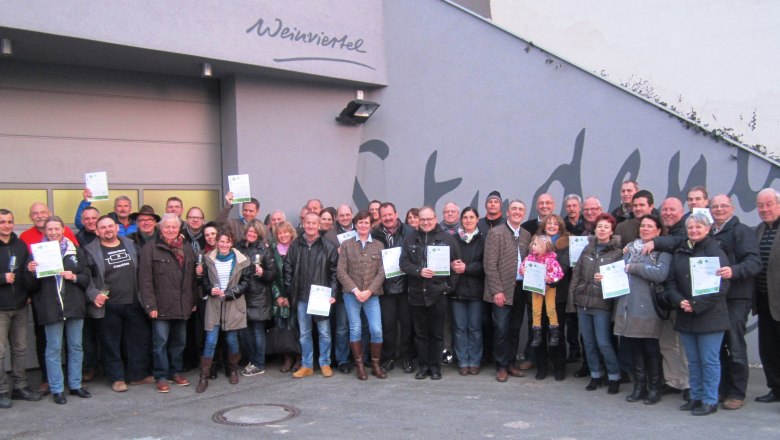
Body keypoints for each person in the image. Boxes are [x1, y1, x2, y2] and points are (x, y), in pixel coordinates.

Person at [666, 213, 730, 416]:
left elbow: (721, 287)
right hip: (686, 313)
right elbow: (671, 282)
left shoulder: (716, 251)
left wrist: (696, 304)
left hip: (710, 315)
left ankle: (710, 400)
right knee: (692, 360)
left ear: (708, 229)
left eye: (698, 227)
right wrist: (679, 301)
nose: (694, 231)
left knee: (709, 360)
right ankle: (696, 396)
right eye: (691, 228)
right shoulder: (681, 251)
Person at [25, 216, 92, 404]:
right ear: (45, 231)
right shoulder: (36, 253)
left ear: (63, 229)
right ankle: (57, 388)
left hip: (74, 305)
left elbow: (86, 277)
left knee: (76, 347)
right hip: (50, 306)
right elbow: (29, 285)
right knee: (53, 349)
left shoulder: (75, 250)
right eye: (50, 229)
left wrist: (74, 276)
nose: (53, 232)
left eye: (57, 229)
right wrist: (30, 270)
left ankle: (76, 385)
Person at [84, 215, 153, 392]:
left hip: (133, 301)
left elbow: (144, 268)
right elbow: (86, 278)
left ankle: (137, 375)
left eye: (110, 226)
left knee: (138, 341)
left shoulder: (129, 244)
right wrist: (94, 295)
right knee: (110, 344)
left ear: (116, 228)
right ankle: (117, 378)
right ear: (97, 231)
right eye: (103, 227)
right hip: (109, 305)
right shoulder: (90, 250)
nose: (107, 230)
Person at [709, 194, 761, 410]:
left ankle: (737, 393)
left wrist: (734, 271)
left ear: (731, 208)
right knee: (718, 346)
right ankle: (722, 389)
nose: (719, 209)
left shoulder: (742, 231)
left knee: (736, 345)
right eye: (715, 206)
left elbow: (754, 262)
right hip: (715, 297)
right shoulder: (710, 232)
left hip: (737, 297)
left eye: (723, 206)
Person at [615, 215, 672, 405]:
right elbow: (620, 271)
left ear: (658, 231)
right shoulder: (630, 249)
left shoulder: (663, 250)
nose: (645, 229)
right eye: (643, 226)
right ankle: (639, 387)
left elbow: (660, 273)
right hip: (628, 305)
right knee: (635, 349)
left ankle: (654, 388)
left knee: (651, 349)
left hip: (648, 307)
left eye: (650, 226)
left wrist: (634, 267)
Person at [139, 214, 198, 393]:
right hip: (161, 305)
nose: (171, 230)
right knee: (161, 343)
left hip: (182, 304)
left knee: (179, 342)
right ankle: (161, 376)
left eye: (174, 227)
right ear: (160, 228)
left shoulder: (186, 248)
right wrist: (150, 306)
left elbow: (192, 278)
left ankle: (176, 372)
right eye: (167, 227)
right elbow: (145, 280)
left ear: (179, 228)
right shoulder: (150, 248)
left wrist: (193, 300)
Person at [400, 206, 460, 380]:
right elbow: (403, 263)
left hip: (438, 294)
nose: (426, 222)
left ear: (435, 219)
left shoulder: (447, 238)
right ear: (418, 220)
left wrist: (449, 288)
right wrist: (418, 270)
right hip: (417, 293)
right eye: (422, 219)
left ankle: (435, 367)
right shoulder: (410, 238)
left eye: (429, 219)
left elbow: (456, 265)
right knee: (420, 334)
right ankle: (423, 366)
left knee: (437, 333)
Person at [570, 213, 623, 394]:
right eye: (600, 226)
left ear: (611, 230)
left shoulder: (617, 253)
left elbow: (620, 280)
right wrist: (574, 295)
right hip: (583, 302)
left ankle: (614, 375)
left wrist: (606, 279)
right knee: (588, 343)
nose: (602, 230)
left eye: (606, 227)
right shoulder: (587, 249)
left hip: (602, 304)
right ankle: (595, 375)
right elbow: (576, 274)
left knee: (603, 342)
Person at [283, 212, 338, 378]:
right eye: (308, 223)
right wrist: (289, 290)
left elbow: (335, 272)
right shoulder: (295, 245)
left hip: (321, 298)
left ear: (319, 225)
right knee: (305, 333)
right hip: (301, 297)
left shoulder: (328, 247)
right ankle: (307, 365)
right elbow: (288, 268)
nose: (311, 226)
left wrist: (333, 293)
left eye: (315, 223)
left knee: (324, 333)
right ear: (303, 223)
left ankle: (325, 363)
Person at [196, 229, 252, 392]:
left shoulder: (242, 260)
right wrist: (210, 289)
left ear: (231, 243)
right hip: (214, 304)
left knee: (231, 339)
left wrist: (229, 293)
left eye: (227, 241)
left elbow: (245, 282)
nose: (224, 244)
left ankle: (233, 369)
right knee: (211, 340)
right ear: (216, 242)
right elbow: (205, 280)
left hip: (233, 304)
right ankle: (204, 376)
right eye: (221, 241)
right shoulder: (208, 259)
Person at [483, 200, 531, 382]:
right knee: (501, 329)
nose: (517, 212)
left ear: (524, 213)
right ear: (507, 213)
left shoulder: (526, 235)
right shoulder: (496, 233)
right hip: (502, 290)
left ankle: (511, 363)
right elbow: (490, 265)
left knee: (514, 329)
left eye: (521, 209)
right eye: (514, 209)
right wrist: (497, 291)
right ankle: (501, 366)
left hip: (520, 289)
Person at [337, 210, 387, 380]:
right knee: (356, 328)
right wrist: (356, 291)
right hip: (352, 295)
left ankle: (375, 365)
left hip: (371, 295)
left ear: (370, 224)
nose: (363, 225)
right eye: (360, 223)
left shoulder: (379, 245)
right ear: (355, 225)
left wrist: (369, 291)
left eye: (366, 222)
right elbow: (341, 272)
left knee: (376, 329)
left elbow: (382, 272)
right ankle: (359, 365)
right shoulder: (346, 245)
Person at [0, 209, 40, 408]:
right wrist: (2, 278)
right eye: (2, 222)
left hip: (20, 306)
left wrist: (31, 272)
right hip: (1, 309)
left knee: (20, 349)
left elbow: (27, 277)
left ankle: (20, 386)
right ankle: (1, 391)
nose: (6, 225)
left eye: (9, 221)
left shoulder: (21, 245)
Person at [372, 202, 416, 373]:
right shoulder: (374, 234)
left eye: (390, 214)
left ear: (396, 214)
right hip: (385, 288)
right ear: (380, 217)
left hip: (406, 286)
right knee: (388, 325)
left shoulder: (410, 232)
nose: (388, 218)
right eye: (384, 216)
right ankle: (388, 357)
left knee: (407, 325)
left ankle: (407, 358)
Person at [237, 219, 277, 377]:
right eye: (249, 232)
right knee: (244, 332)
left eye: (254, 232)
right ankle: (252, 360)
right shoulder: (239, 247)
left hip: (259, 296)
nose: (251, 234)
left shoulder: (265, 250)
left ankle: (259, 363)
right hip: (241, 296)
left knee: (258, 331)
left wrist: (263, 273)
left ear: (259, 233)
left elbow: (273, 274)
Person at [536, 214, 572, 381]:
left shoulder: (566, 243)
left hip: (558, 294)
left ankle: (559, 367)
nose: (551, 225)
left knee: (556, 331)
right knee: (540, 331)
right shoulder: (536, 242)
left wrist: (550, 278)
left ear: (560, 227)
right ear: (543, 226)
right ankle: (542, 367)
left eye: (555, 223)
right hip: (538, 293)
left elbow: (563, 266)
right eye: (548, 223)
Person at [450, 207, 485, 375]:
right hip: (457, 291)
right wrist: (450, 266)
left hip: (476, 292)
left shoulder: (484, 239)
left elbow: (486, 264)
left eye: (472, 217)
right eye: (465, 217)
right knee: (459, 328)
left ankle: (475, 360)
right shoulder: (453, 239)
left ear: (477, 219)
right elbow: (446, 259)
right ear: (461, 220)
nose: (468, 220)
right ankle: (463, 361)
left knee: (475, 328)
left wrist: (467, 268)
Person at [753, 187, 780, 404]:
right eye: (760, 205)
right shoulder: (759, 230)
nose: (764, 209)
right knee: (769, 348)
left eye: (769, 204)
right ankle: (776, 388)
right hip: (765, 301)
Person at [520, 235, 563, 348]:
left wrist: (550, 278)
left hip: (549, 288)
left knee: (551, 309)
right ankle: (536, 334)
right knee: (536, 310)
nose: (532, 246)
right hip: (536, 288)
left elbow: (558, 273)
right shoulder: (530, 258)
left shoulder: (551, 260)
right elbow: (522, 268)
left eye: (536, 244)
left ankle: (554, 333)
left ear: (545, 247)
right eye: (532, 244)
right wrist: (523, 271)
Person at [271, 221, 299, 373]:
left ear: (291, 233)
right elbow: (272, 276)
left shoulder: (297, 249)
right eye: (280, 233)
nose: (283, 235)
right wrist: (278, 296)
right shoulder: (273, 251)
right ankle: (287, 358)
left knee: (295, 328)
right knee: (282, 329)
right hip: (279, 298)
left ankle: (298, 358)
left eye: (286, 232)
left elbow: (300, 276)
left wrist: (290, 297)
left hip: (294, 297)